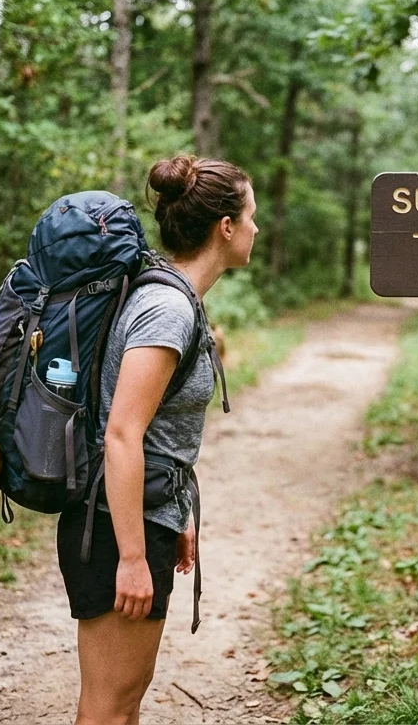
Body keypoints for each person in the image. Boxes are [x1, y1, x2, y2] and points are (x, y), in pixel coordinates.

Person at [55, 155, 256, 724]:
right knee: (111, 706)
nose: (256, 229)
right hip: (117, 527)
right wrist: (135, 558)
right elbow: (122, 434)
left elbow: (160, 429)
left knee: (118, 701)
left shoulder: (171, 297)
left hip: (136, 516)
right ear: (225, 227)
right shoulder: (167, 307)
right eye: (251, 216)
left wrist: (178, 512)